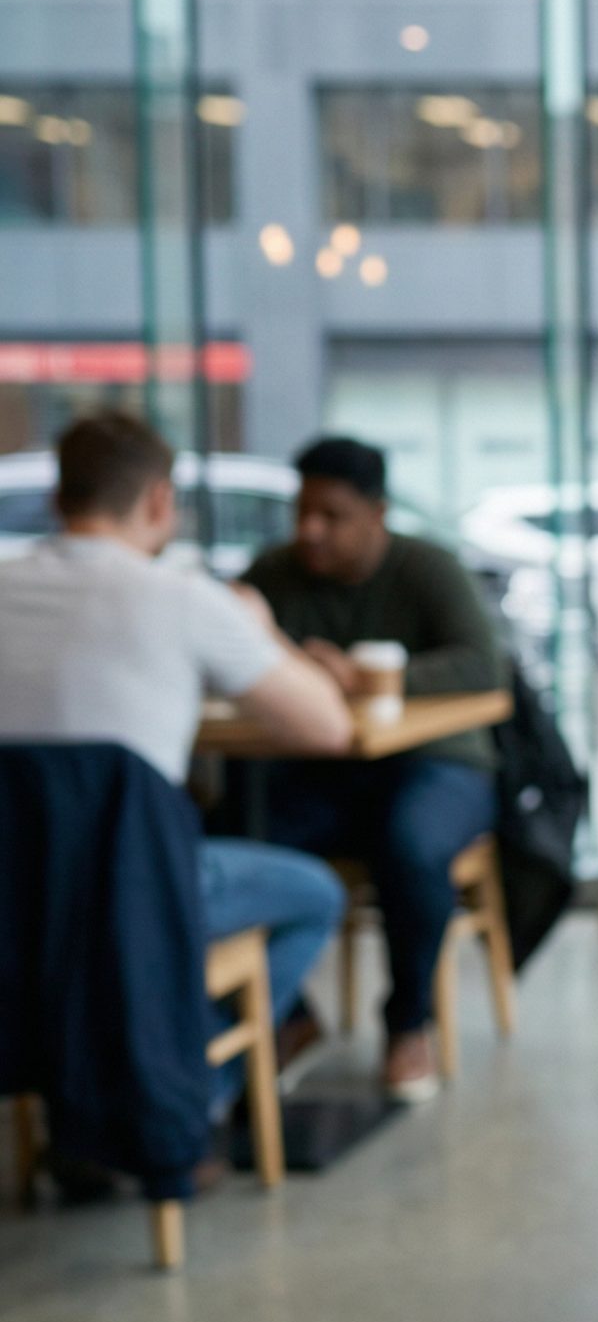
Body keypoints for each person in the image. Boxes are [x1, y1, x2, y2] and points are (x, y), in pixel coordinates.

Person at [0, 411, 352, 1105]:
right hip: (134, 892)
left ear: (57, 499)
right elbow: (328, 728)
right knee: (315, 895)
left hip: (11, 897)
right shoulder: (186, 600)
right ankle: (195, 1093)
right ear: (160, 501)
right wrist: (265, 632)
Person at [242, 435, 508, 1101]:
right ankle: (293, 1016)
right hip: (322, 765)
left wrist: (367, 677)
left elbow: (483, 666)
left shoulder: (427, 569)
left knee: (412, 843)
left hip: (440, 761)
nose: (311, 531)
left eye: (331, 517)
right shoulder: (272, 575)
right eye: (302, 514)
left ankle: (407, 1023)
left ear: (377, 513)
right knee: (237, 835)